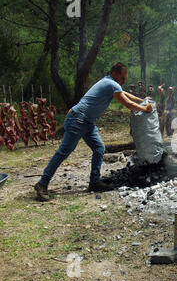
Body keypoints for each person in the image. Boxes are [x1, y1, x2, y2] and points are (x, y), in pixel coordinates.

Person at [34, 63, 153, 201]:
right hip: (78, 119)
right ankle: (42, 184)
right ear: (114, 73)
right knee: (63, 152)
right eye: (122, 77)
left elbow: (125, 94)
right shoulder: (111, 84)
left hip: (86, 121)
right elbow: (127, 104)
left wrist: (142, 101)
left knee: (99, 148)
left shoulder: (109, 83)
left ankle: (94, 182)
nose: (124, 81)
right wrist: (145, 109)